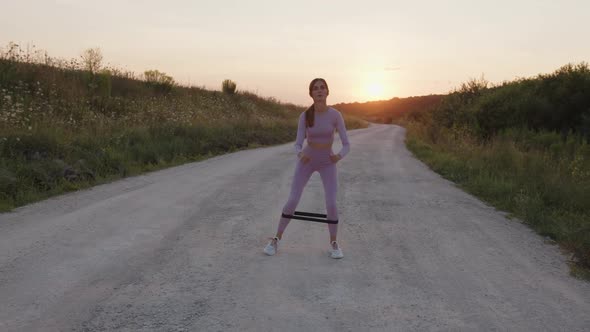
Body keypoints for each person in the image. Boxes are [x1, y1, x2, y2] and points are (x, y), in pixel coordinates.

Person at [263, 78, 350, 259]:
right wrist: (300, 154)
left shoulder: (335, 115)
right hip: (307, 161)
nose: (319, 91)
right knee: (293, 200)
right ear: (311, 94)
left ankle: (334, 243)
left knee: (332, 203)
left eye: (322, 88)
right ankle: (276, 239)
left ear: (327, 92)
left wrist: (337, 156)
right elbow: (297, 144)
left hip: (327, 163)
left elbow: (347, 144)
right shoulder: (305, 116)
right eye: (315, 89)